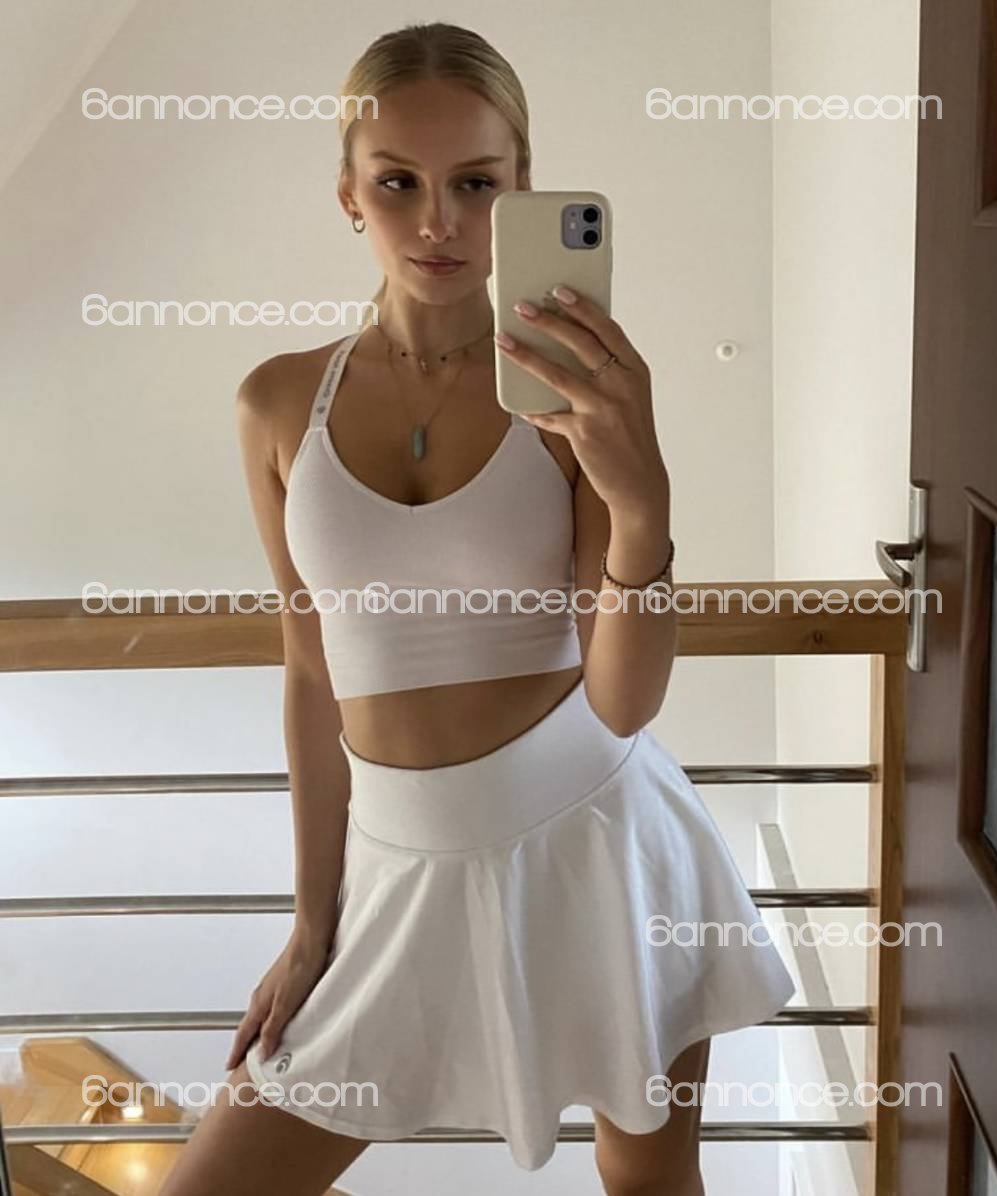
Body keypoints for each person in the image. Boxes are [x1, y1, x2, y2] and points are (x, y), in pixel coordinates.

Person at [158, 21, 794, 1196]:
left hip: (597, 839)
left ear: (521, 188)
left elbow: (622, 700)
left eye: (475, 183)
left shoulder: (575, 388)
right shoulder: (276, 402)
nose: (438, 222)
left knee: (648, 1184)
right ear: (348, 194)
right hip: (395, 868)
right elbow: (311, 668)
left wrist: (641, 499)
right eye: (398, 182)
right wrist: (311, 921)